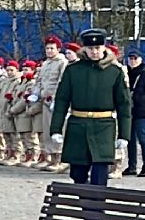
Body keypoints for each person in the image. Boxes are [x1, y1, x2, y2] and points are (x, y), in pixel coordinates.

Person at [49, 28, 131, 186]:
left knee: (100, 172)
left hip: (104, 125)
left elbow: (124, 105)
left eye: (98, 48)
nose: (94, 51)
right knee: (77, 173)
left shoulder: (114, 71)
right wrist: (56, 129)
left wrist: (124, 134)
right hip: (78, 125)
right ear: (84, 49)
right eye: (90, 48)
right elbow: (62, 100)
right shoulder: (73, 70)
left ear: (104, 47)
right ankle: (86, 198)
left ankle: (96, 201)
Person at [123, 50, 145, 177]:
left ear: (140, 60)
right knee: (130, 139)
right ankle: (132, 166)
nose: (132, 61)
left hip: (142, 112)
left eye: (135, 58)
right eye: (130, 58)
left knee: (143, 139)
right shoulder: (125, 74)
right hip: (129, 112)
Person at [35, 37, 68, 172]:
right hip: (45, 100)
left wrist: (57, 98)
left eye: (52, 48)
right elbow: (40, 80)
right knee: (47, 130)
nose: (49, 51)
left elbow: (62, 81)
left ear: (58, 49)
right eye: (47, 48)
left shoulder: (62, 62)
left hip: (56, 101)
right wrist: (36, 93)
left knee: (57, 129)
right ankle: (51, 158)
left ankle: (59, 159)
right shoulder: (45, 64)